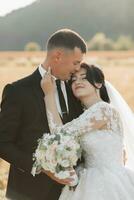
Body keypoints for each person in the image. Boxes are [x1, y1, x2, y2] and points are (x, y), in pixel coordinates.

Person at [0, 29, 87, 200]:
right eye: (76, 62)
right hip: (28, 193)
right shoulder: (17, 91)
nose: (78, 68)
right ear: (57, 56)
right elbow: (3, 142)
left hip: (74, 192)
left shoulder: (77, 88)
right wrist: (40, 166)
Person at [41, 63, 134, 200]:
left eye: (83, 78)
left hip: (107, 182)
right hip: (86, 177)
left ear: (98, 83)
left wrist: (49, 95)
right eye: (74, 79)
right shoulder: (87, 114)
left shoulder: (103, 110)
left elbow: (59, 134)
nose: (77, 82)